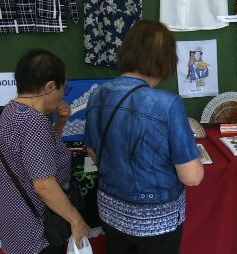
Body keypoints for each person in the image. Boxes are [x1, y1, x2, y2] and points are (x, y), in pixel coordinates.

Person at [84, 20, 204, 254]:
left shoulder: (97, 95)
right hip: (156, 222)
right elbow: (192, 177)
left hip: (111, 211)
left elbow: (92, 152)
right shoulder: (167, 104)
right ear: (166, 61)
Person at [0, 49, 89, 254]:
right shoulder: (32, 122)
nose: (63, 94)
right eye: (64, 88)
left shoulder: (8, 111)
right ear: (50, 87)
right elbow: (43, 185)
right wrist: (76, 220)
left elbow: (38, 155)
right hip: (37, 234)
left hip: (15, 228)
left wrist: (60, 123)